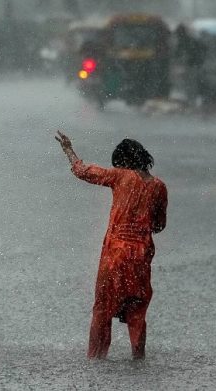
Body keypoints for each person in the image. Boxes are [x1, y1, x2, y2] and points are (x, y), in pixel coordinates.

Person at [55, 131, 168, 360]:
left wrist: (68, 150)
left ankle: (96, 361)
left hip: (116, 253)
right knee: (137, 311)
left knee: (103, 308)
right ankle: (138, 359)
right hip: (142, 255)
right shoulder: (159, 187)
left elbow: (83, 172)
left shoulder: (120, 177)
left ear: (124, 161)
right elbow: (159, 226)